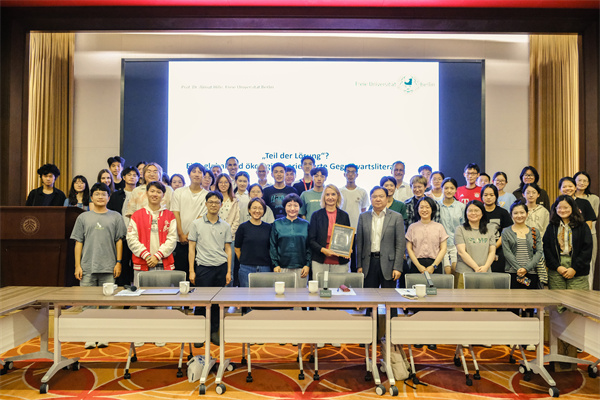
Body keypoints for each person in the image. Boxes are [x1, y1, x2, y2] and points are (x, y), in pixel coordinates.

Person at [70, 182, 127, 349]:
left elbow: (119, 241)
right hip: (87, 267)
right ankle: (89, 336)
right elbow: (78, 242)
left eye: (104, 194)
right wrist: (77, 266)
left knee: (106, 304)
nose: (100, 197)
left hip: (109, 267)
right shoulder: (83, 217)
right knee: (87, 303)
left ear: (109, 197)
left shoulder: (116, 216)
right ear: (91, 197)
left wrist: (118, 263)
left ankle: (103, 335)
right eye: (97, 194)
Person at [188, 191, 232, 345]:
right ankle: (200, 333)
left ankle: (214, 332)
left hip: (221, 267)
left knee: (218, 303)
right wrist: (191, 270)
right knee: (201, 302)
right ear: (206, 204)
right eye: (211, 202)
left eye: (217, 202)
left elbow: (228, 249)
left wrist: (228, 271)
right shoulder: (196, 224)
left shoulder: (225, 225)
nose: (214, 205)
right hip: (203, 268)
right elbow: (191, 248)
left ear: (221, 205)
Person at [127, 181, 177, 286]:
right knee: (141, 295)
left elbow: (172, 239)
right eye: (152, 191)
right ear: (147, 193)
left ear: (163, 195)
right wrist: (147, 256)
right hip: (142, 264)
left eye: (158, 192)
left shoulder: (170, 216)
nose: (155, 194)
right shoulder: (137, 215)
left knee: (163, 295)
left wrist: (157, 256)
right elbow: (131, 239)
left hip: (163, 264)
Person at [356, 186, 406, 294]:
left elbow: (400, 244)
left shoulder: (396, 217)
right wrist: (359, 265)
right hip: (368, 263)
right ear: (370, 199)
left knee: (390, 298)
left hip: (389, 264)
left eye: (381, 196)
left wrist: (397, 267)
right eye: (374, 196)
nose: (378, 199)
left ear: (387, 198)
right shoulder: (363, 217)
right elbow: (359, 243)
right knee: (369, 297)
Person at [543, 195, 593, 291]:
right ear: (555, 209)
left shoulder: (582, 226)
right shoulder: (552, 226)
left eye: (566, 207)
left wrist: (574, 268)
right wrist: (557, 267)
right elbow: (547, 248)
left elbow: (587, 249)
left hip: (577, 269)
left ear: (573, 208)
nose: (562, 210)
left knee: (577, 298)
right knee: (557, 299)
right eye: (559, 208)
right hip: (557, 268)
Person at [171, 163, 208, 279]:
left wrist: (188, 235)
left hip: (197, 241)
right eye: (194, 171)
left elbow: (201, 217)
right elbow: (175, 213)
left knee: (195, 276)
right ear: (189, 174)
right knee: (180, 275)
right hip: (179, 240)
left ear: (203, 176)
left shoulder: (207, 195)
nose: (197, 174)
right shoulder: (179, 192)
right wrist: (181, 234)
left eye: (200, 172)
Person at [107, 165, 140, 286]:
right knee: (123, 263)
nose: (132, 177)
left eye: (135, 175)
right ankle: (123, 290)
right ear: (124, 177)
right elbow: (110, 214)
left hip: (138, 236)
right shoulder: (116, 195)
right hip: (122, 236)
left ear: (138, 178)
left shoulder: (142, 194)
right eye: (129, 175)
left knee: (137, 264)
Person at [308, 184, 351, 277]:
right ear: (324, 197)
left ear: (338, 196)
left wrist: (348, 249)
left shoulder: (344, 216)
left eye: (333, 194)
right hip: (320, 260)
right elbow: (311, 240)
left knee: (339, 286)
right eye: (327, 195)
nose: (330, 197)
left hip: (340, 261)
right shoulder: (316, 215)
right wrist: (323, 250)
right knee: (320, 286)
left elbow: (347, 238)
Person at [270, 193, 311, 288]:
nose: (292, 209)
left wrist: (307, 265)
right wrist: (275, 264)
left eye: (295, 205)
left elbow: (309, 246)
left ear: (299, 207)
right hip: (281, 267)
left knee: (301, 295)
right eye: (289, 205)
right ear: (284, 207)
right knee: (282, 294)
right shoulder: (277, 223)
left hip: (301, 268)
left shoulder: (305, 224)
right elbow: (273, 245)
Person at [454, 200, 496, 288]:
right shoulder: (460, 229)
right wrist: (476, 268)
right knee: (463, 297)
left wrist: (485, 267)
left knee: (486, 296)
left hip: (485, 271)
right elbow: (461, 252)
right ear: (466, 213)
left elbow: (492, 252)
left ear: (482, 213)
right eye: (470, 210)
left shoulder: (489, 230)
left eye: (476, 210)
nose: (473, 213)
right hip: (464, 272)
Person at [502, 201, 543, 291]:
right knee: (513, 299)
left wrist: (526, 268)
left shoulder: (534, 231)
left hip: (531, 272)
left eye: (522, 212)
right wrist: (519, 269)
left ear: (527, 214)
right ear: (511, 215)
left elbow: (539, 252)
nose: (519, 215)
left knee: (531, 298)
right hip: (512, 272)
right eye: (515, 213)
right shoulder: (506, 232)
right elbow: (507, 252)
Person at [235, 198, 273, 287]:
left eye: (260, 208)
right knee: (246, 294)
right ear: (249, 210)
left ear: (264, 211)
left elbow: (271, 248)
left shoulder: (269, 227)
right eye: (254, 208)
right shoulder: (242, 227)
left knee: (264, 294)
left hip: (265, 267)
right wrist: (245, 261)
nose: (257, 211)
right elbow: (237, 248)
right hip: (246, 268)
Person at [405, 197, 448, 275]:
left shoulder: (439, 227)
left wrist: (433, 266)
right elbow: (409, 248)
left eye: (427, 207)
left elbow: (443, 249)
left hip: (435, 264)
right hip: (416, 264)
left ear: (432, 209)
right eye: (421, 207)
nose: (424, 210)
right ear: (417, 209)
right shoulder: (412, 227)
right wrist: (418, 266)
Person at [340, 163, 369, 272]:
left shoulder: (362, 192)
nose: (350, 174)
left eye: (353, 172)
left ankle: (355, 280)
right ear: (344, 174)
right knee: (343, 260)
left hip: (357, 230)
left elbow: (363, 211)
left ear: (357, 175)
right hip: (343, 231)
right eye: (348, 172)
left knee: (356, 259)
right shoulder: (339, 191)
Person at [574, 171, 599, 289]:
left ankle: (588, 289)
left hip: (590, 234)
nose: (582, 183)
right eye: (579, 180)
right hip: (572, 235)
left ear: (589, 183)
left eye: (585, 181)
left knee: (590, 263)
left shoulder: (594, 198)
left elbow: (593, 218)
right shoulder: (569, 198)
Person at [438, 177, 465, 281]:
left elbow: (463, 226)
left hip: (456, 244)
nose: (449, 191)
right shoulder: (437, 205)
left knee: (455, 269)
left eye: (452, 188)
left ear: (456, 190)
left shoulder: (461, 206)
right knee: (446, 271)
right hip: (441, 244)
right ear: (442, 189)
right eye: (446, 188)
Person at [481, 183, 512, 273]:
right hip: (480, 248)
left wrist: (493, 247)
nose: (488, 197)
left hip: (499, 249)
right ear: (481, 196)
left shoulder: (503, 212)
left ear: (496, 196)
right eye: (485, 195)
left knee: (497, 276)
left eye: (492, 195)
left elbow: (506, 233)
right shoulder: (477, 212)